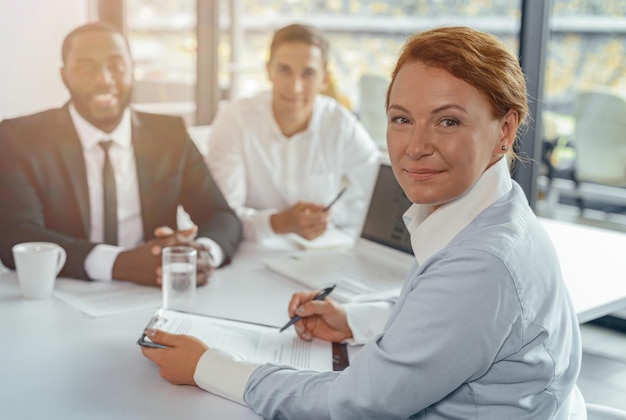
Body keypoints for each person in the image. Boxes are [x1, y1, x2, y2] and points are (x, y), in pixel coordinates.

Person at [140, 26, 583, 418]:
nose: (415, 146)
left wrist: (208, 366)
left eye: (448, 121)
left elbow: (356, 403)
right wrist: (354, 321)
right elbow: (446, 313)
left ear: (504, 131)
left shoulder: (485, 263)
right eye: (401, 119)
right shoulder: (494, 212)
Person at [0, 22, 242, 286]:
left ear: (132, 71)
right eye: (85, 67)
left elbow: (220, 215)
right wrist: (120, 263)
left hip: (154, 292)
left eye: (117, 65)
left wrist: (202, 254)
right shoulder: (19, 137)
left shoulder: (169, 133)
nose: (104, 80)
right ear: (64, 76)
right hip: (64, 290)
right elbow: (17, 234)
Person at [206, 23, 380, 242]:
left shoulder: (340, 123)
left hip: (320, 254)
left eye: (308, 73)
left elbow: (379, 190)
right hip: (248, 253)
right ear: (268, 70)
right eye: (284, 70)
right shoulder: (235, 120)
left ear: (324, 80)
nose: (295, 87)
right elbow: (221, 215)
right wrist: (277, 223)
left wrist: (333, 215)